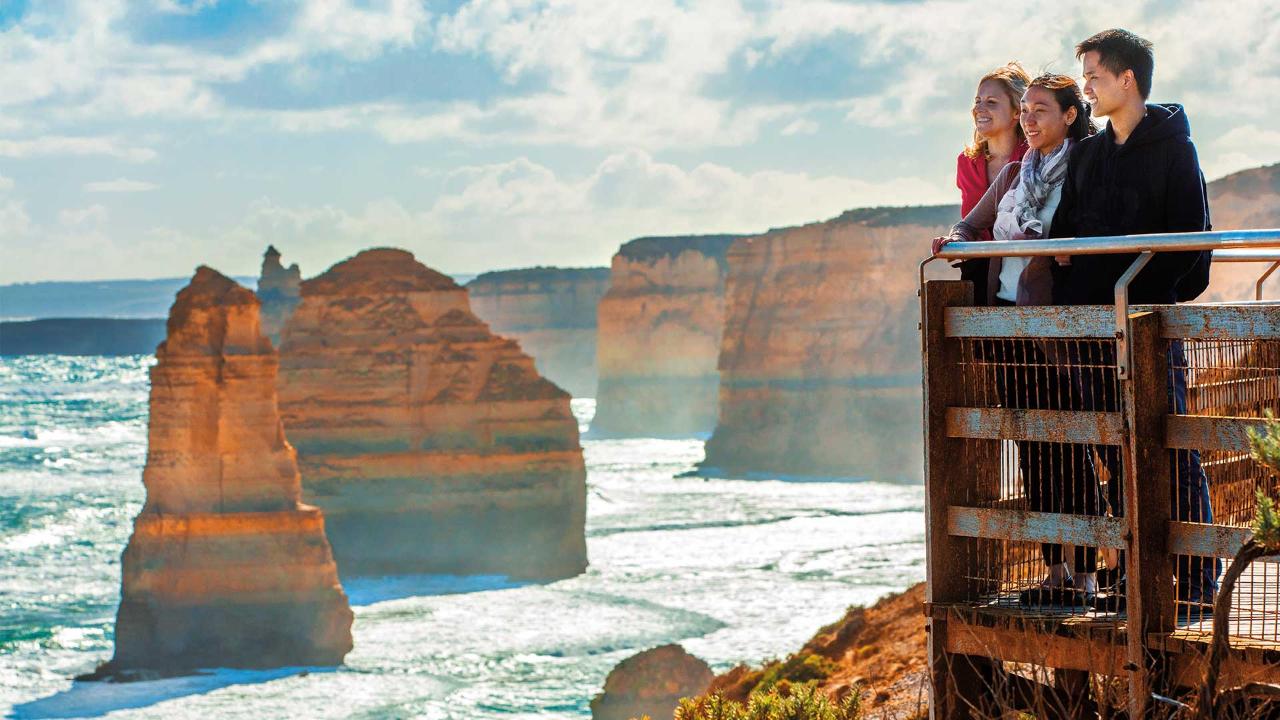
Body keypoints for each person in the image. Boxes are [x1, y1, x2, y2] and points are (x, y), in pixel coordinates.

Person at [1049, 28, 1219, 615]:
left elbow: (1191, 238)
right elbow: (1066, 233)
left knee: (1170, 449)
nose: (1088, 86)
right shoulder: (1090, 153)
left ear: (1128, 79)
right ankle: (1140, 578)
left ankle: (1198, 586)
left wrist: (1149, 293)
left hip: (1149, 327)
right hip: (1092, 327)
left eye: (1094, 75)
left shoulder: (1177, 148)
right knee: (1117, 455)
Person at [934, 74, 1101, 605]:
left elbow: (1091, 234)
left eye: (1039, 110)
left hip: (1055, 326)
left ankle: (1088, 572)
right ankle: (1054, 568)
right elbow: (970, 224)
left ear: (1069, 115)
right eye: (1024, 110)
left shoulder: (1082, 171)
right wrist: (952, 241)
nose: (1028, 119)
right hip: (1007, 323)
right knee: (1032, 445)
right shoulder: (1012, 173)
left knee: (1069, 445)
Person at [954, 62, 1030, 305]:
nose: (980, 108)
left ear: (1017, 111)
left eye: (991, 102)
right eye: (978, 101)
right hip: (978, 267)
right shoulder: (967, 162)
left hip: (1024, 268)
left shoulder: (1033, 156)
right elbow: (970, 220)